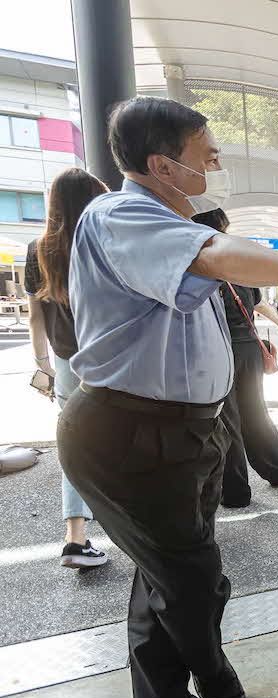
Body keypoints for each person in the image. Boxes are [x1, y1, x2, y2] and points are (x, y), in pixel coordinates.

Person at [57, 96, 278, 698]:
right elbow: (215, 253)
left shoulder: (158, 219)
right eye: (207, 157)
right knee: (192, 578)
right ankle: (213, 683)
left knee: (166, 575)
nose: (217, 167)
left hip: (176, 431)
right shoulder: (124, 213)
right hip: (132, 432)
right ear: (162, 165)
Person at [25, 167, 110, 569]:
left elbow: (35, 316)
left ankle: (75, 537)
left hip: (64, 361)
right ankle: (141, 530)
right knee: (126, 441)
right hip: (110, 358)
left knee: (73, 448)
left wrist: (43, 365)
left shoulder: (37, 248)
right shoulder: (101, 241)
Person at [193, 209, 278, 508]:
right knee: (255, 410)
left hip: (219, 350)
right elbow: (258, 303)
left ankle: (236, 492)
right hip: (250, 349)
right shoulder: (237, 263)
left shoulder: (199, 265)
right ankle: (276, 471)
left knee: (228, 420)